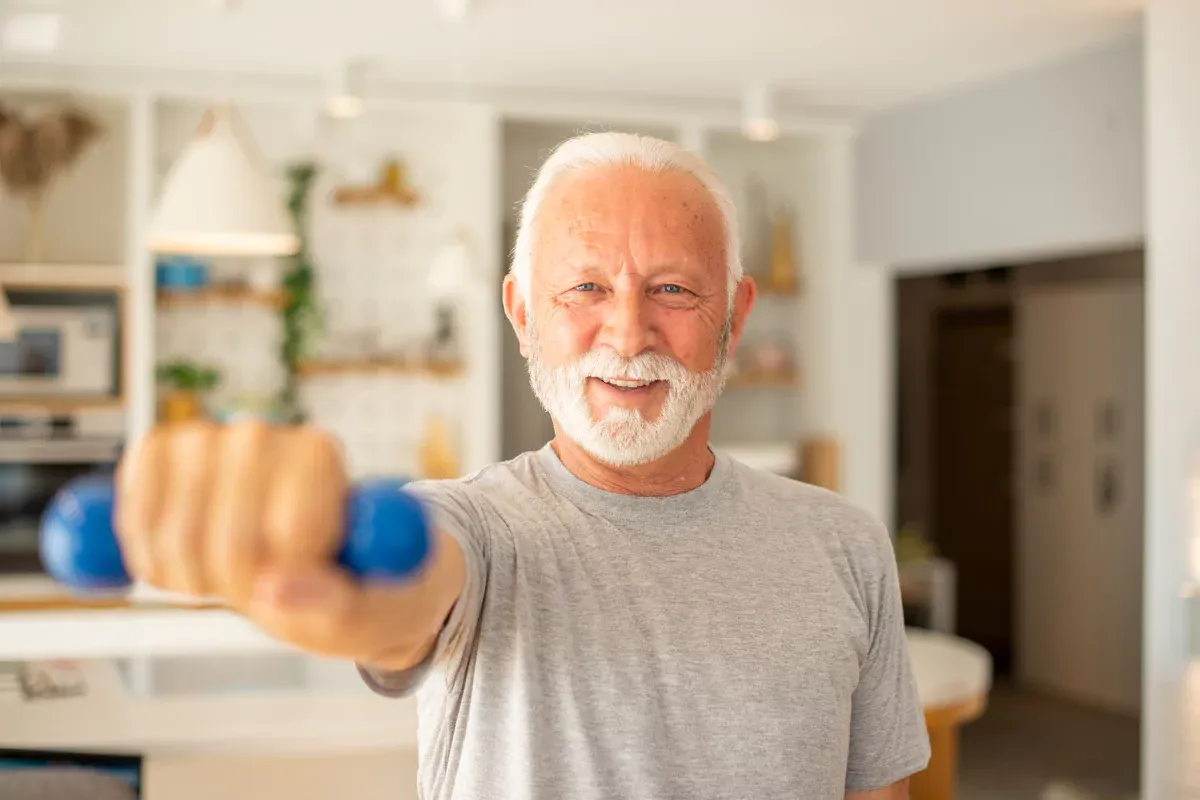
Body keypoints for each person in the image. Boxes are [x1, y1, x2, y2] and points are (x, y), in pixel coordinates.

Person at [114, 132, 930, 799]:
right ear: (521, 314)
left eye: (674, 290)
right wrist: (316, 581)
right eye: (584, 288)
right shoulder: (475, 529)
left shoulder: (846, 546)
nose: (627, 333)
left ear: (736, 316)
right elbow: (395, 604)